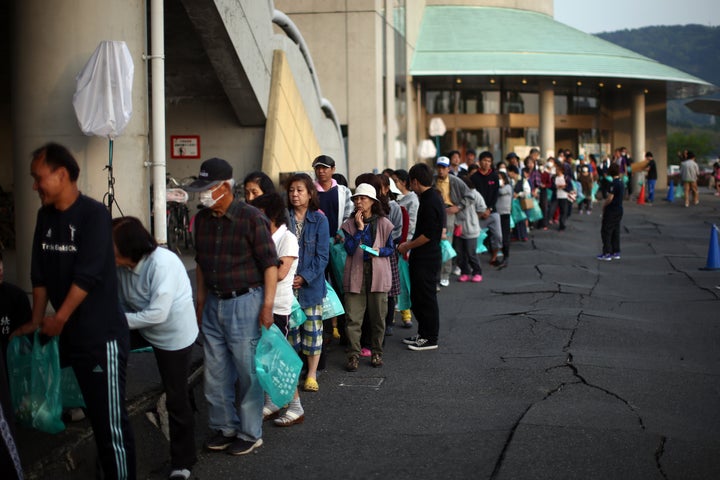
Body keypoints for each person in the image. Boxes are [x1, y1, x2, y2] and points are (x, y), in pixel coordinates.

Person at [13, 142, 136, 479]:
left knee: (111, 424)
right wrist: (38, 321)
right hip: (68, 338)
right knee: (94, 420)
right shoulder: (44, 216)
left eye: (39, 178)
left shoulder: (94, 215)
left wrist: (59, 318)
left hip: (101, 338)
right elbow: (38, 274)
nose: (35, 186)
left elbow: (88, 275)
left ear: (61, 174)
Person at [184, 157, 278, 456]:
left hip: (246, 303)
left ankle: (250, 432)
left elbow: (270, 265)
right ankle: (224, 427)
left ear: (225, 187)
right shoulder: (201, 221)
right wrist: (199, 303)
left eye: (207, 188)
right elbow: (199, 264)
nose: (202, 195)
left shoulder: (252, 218)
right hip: (213, 302)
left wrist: (267, 306)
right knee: (215, 372)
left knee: (248, 372)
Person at [112, 217, 198, 480]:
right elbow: (116, 303)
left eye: (110, 244)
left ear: (129, 247)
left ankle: (183, 461)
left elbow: (158, 314)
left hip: (173, 334)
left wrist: (114, 321)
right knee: (102, 345)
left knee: (176, 396)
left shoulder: (162, 263)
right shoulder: (118, 266)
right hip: (139, 323)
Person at [249, 193, 305, 427]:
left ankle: (296, 406)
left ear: (270, 214)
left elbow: (280, 273)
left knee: (277, 359)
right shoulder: (263, 237)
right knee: (264, 359)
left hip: (278, 306)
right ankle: (272, 402)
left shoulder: (287, 238)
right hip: (259, 303)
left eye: (258, 213)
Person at [341, 183, 394, 370]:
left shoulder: (384, 223)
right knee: (353, 317)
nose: (358, 201)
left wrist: (378, 251)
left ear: (372, 201)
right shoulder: (349, 224)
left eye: (362, 198)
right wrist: (360, 229)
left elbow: (391, 249)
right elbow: (348, 248)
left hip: (378, 272)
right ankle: (353, 355)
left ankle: (377, 353)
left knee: (379, 317)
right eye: (356, 198)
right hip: (356, 272)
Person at [287, 173, 329, 392]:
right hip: (286, 286)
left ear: (310, 193)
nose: (295, 194)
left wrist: (303, 277)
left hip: (311, 287)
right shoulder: (284, 218)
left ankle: (311, 375)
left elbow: (323, 256)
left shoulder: (320, 219)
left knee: (313, 332)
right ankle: (293, 374)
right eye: (292, 190)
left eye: (300, 190)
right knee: (291, 334)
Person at [398, 163, 444, 351]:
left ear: (414, 181)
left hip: (427, 257)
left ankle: (430, 337)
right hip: (423, 256)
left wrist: (407, 246)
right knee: (419, 296)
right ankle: (423, 333)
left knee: (426, 298)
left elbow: (429, 234)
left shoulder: (430, 199)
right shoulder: (429, 197)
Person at [435, 156, 476, 287]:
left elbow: (470, 195)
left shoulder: (455, 181)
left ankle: (445, 274)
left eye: (443, 168)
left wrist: (458, 207)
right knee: (433, 245)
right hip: (434, 212)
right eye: (439, 167)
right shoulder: (433, 180)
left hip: (448, 213)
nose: (441, 170)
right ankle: (435, 274)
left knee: (446, 244)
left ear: (448, 168)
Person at [392, 169, 418, 328]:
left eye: (395, 180)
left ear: (402, 181)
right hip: (395, 244)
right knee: (393, 281)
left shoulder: (412, 199)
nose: (393, 183)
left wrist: (406, 244)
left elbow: (412, 224)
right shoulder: (397, 199)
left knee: (402, 280)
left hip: (404, 245)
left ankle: (406, 314)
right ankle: (393, 315)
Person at [470, 151, 503, 265]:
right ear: (479, 162)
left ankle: (494, 257)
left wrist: (489, 209)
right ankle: (473, 259)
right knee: (474, 237)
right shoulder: (474, 177)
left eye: (489, 161)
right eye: (484, 160)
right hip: (478, 213)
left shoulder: (494, 176)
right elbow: (472, 196)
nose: (486, 163)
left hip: (492, 212)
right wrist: (480, 211)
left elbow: (495, 194)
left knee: (498, 236)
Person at [0, 251, 31, 362]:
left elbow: (25, 343)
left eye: (0, 261)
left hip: (10, 367)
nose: (0, 268)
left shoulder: (17, 297)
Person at [597, 163, 624, 261]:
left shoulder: (613, 183)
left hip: (612, 209)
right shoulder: (621, 182)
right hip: (619, 209)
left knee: (606, 231)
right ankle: (615, 251)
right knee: (615, 231)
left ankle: (607, 252)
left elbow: (610, 198)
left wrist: (604, 205)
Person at [495, 171, 513, 269]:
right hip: (497, 213)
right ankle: (497, 255)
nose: (499, 179)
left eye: (500, 178)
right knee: (498, 235)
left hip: (505, 214)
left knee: (505, 236)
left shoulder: (508, 187)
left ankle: (506, 256)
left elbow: (501, 192)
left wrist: (499, 184)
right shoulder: (496, 188)